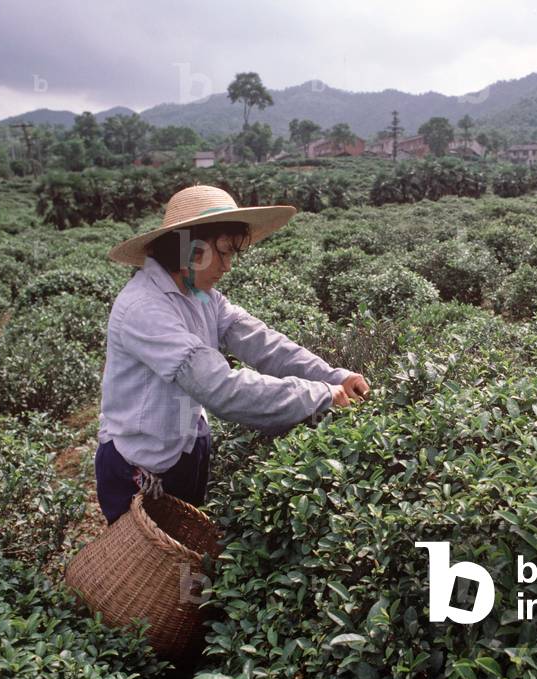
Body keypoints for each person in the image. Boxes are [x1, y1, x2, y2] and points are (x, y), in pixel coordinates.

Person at [94, 185, 369, 524]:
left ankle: (187, 580)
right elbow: (220, 389)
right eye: (222, 252)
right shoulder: (144, 308)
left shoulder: (202, 295)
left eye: (231, 255)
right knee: (146, 568)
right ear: (189, 247)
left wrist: (333, 376)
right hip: (139, 464)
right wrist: (320, 396)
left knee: (187, 553)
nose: (227, 266)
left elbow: (262, 342)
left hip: (187, 442)